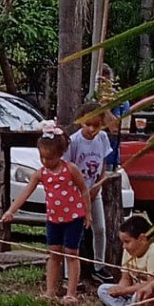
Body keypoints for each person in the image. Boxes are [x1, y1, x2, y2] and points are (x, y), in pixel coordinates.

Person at [3, 123, 91, 305]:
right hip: (53, 219)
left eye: (49, 158)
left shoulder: (70, 169)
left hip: (74, 217)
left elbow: (83, 190)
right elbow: (25, 193)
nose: (45, 161)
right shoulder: (41, 174)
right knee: (54, 253)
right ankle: (50, 290)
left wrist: (87, 213)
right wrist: (11, 211)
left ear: (61, 154)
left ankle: (71, 293)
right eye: (42, 157)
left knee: (71, 253)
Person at [67, 103, 115, 278]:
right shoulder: (74, 141)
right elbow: (69, 167)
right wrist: (80, 192)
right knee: (74, 232)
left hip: (94, 190)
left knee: (99, 228)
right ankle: (70, 271)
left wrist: (98, 185)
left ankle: (99, 265)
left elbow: (103, 163)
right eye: (88, 125)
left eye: (96, 125)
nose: (92, 129)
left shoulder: (102, 138)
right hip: (76, 193)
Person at [97, 213, 154, 306]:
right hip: (133, 291)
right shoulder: (128, 251)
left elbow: (152, 285)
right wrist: (119, 289)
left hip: (153, 292)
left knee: (138, 296)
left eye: (127, 242)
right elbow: (126, 278)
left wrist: (124, 291)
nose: (124, 246)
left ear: (142, 239)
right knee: (103, 289)